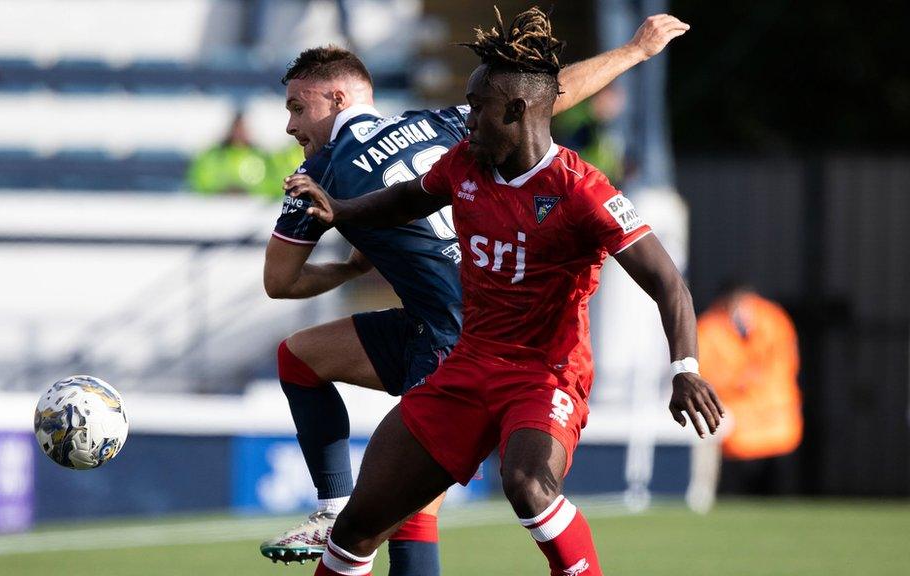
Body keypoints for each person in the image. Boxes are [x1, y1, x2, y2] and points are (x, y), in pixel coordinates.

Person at [285, 7, 722, 576]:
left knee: (527, 486)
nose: (466, 119)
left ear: (515, 111)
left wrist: (685, 366)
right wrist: (340, 209)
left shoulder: (581, 191)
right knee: (359, 524)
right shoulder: (466, 163)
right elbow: (408, 199)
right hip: (468, 365)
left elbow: (667, 281)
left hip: (546, 373)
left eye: (477, 108)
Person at [697, 282, 801, 495]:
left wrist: (755, 379)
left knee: (779, 490)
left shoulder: (773, 319)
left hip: (777, 421)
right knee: (741, 492)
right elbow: (703, 372)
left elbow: (785, 360)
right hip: (739, 426)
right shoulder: (709, 328)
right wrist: (738, 381)